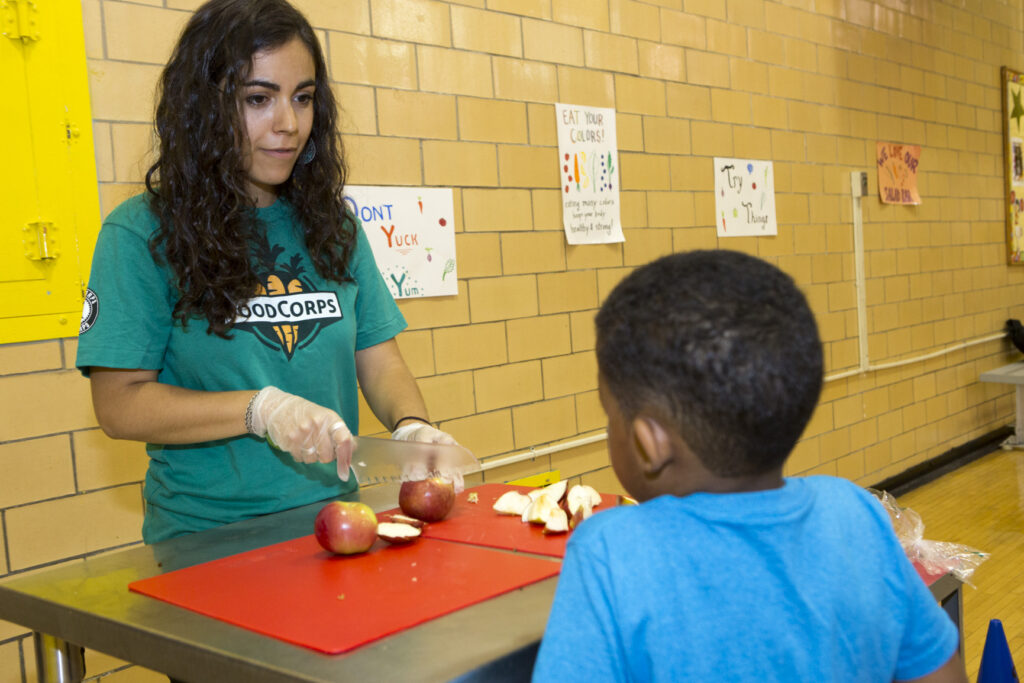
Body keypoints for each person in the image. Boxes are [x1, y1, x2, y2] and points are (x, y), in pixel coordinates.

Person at [77, 0, 455, 544]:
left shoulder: (333, 224)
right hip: (208, 543)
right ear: (204, 107)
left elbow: (377, 357)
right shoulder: (140, 233)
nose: (289, 124)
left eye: (303, 99)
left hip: (336, 528)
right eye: (258, 99)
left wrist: (410, 425)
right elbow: (119, 406)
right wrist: (258, 409)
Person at [531, 250, 966, 682]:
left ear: (650, 444)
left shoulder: (611, 552)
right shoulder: (853, 513)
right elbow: (939, 673)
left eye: (611, 414)